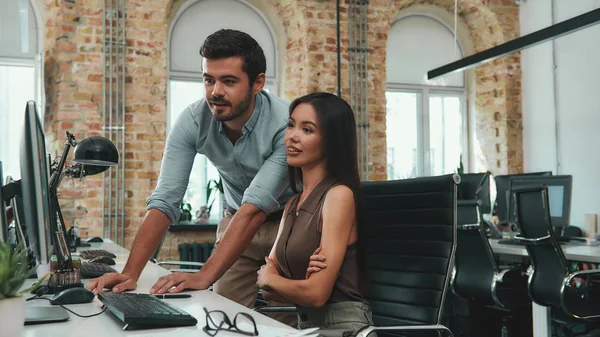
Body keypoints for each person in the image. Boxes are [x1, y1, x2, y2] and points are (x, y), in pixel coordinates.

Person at [86, 29, 296, 320]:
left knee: (282, 323)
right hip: (237, 222)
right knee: (221, 317)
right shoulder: (193, 120)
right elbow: (165, 201)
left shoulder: (286, 124)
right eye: (209, 79)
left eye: (229, 81)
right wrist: (129, 274)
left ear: (258, 82)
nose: (216, 91)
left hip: (288, 227)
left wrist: (204, 275)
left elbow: (256, 207)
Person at [256, 92, 373, 336]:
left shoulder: (338, 195)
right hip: (308, 328)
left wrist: (273, 278)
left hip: (343, 327)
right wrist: (293, 284)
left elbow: (316, 294)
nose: (292, 137)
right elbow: (267, 292)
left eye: (307, 130)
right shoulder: (291, 205)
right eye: (290, 125)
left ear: (332, 141)